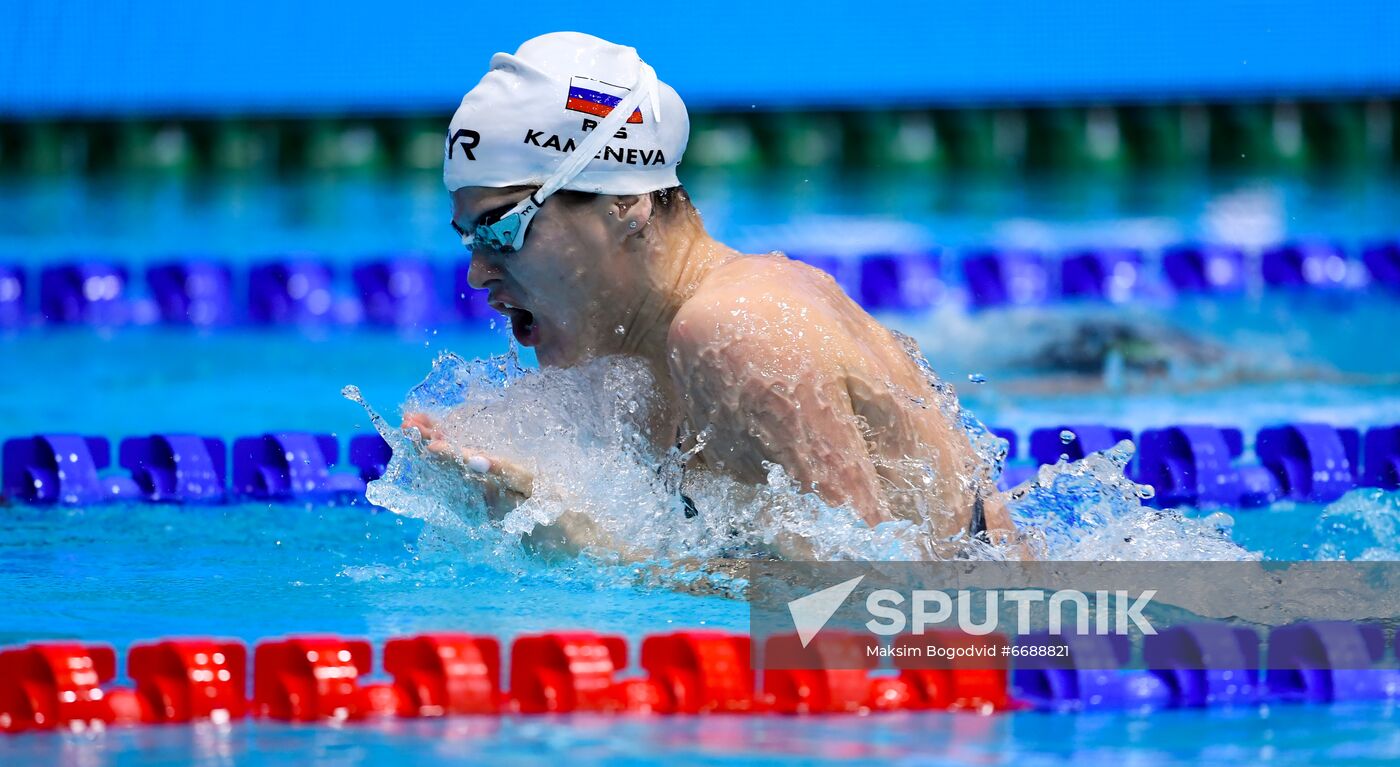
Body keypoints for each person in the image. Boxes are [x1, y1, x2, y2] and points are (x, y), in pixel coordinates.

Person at [404, 32, 1017, 557]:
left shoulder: (734, 332)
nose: (478, 273)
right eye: (468, 239)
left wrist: (592, 547)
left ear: (624, 202)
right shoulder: (641, 353)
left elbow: (861, 603)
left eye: (503, 228)